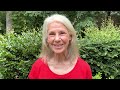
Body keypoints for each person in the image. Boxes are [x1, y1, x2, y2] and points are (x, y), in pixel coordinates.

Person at [28, 14, 92, 79]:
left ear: (70, 36)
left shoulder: (84, 68)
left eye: (62, 33)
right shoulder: (38, 66)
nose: (57, 39)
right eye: (52, 34)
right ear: (47, 39)